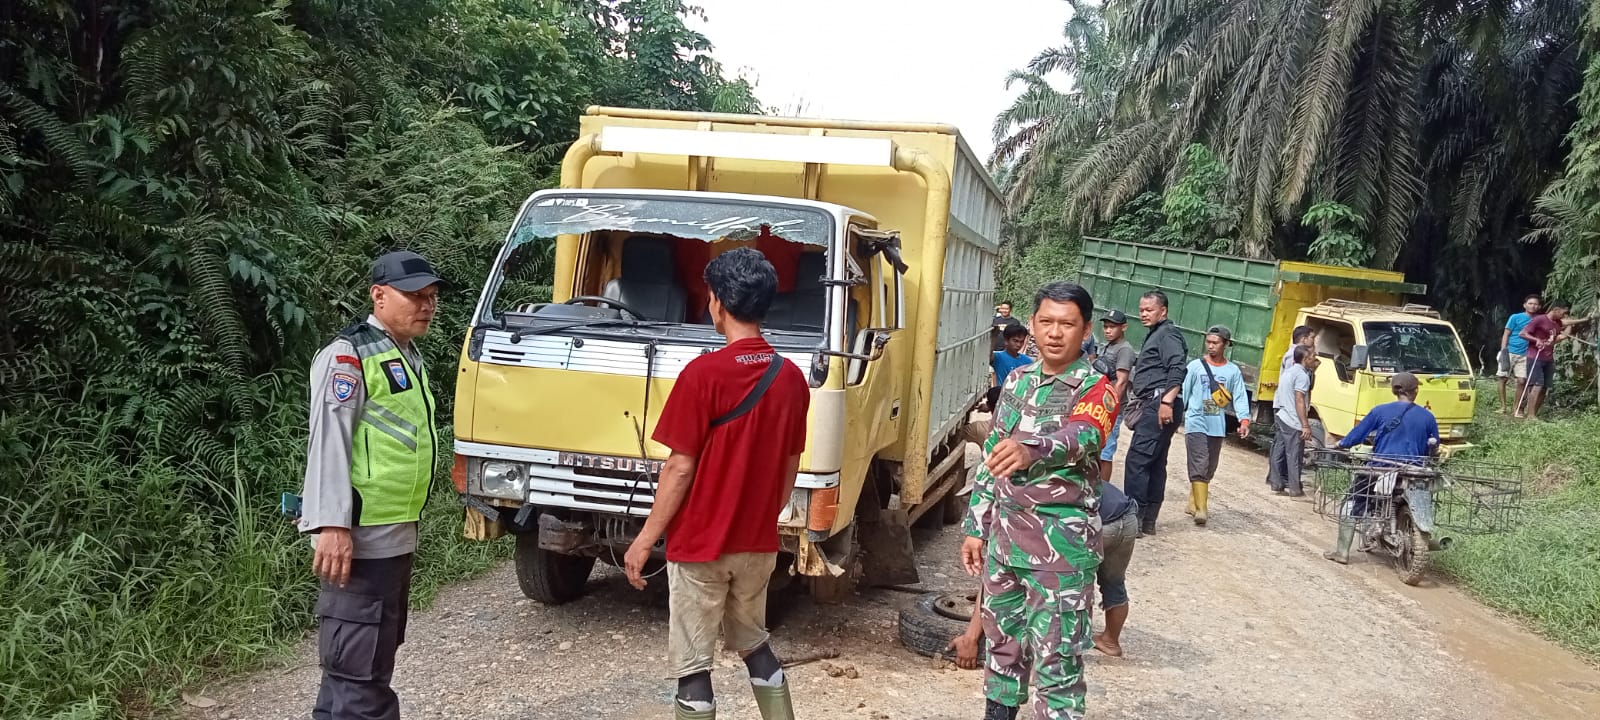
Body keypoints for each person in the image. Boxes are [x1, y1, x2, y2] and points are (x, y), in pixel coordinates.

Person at [623, 248, 811, 720]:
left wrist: (644, 541)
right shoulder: (790, 379)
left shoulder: (702, 375)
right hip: (757, 544)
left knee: (693, 666)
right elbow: (791, 465)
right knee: (754, 643)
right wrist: (763, 517)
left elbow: (679, 469)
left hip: (700, 545)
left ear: (719, 305)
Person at [298, 250, 446, 720]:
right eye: (414, 295)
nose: (426, 305)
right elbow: (329, 442)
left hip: (392, 537)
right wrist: (332, 525)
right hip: (358, 540)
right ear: (378, 295)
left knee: (369, 663)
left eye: (431, 296)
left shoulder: (405, 353)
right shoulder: (349, 354)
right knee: (357, 675)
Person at [961, 281, 1118, 720]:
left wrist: (1032, 448)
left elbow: (1081, 435)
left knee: (1058, 663)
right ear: (1032, 325)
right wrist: (977, 526)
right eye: (1046, 322)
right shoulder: (1018, 379)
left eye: (1066, 324)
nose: (1054, 332)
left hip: (1060, 552)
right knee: (1002, 650)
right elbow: (993, 451)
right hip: (1006, 546)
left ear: (1085, 330)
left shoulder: (1095, 388)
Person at [948, 482, 1139, 666]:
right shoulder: (1044, 475)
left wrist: (970, 637)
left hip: (1092, 524)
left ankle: (1047, 664)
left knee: (1060, 584)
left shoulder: (1017, 503)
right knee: (1113, 582)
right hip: (1126, 517)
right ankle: (1110, 641)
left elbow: (993, 579)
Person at [1324, 372, 1440, 564]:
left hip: (1381, 468)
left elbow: (1357, 436)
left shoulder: (1379, 411)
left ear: (1394, 390)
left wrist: (1340, 444)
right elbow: (1434, 446)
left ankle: (1342, 552)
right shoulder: (1427, 416)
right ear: (1416, 391)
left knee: (1352, 502)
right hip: (1414, 471)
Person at [1122, 290, 1188, 536]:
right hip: (1157, 402)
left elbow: (1178, 368)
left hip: (1159, 403)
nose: (1143, 314)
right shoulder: (1157, 334)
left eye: (1149, 310)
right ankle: (1147, 521)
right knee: (1155, 462)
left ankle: (1134, 520)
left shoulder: (1167, 334)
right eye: (1141, 310)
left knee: (1138, 461)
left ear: (1163, 311)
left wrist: (1166, 402)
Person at [1180, 326, 1252, 525]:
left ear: (1226, 344)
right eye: (1208, 342)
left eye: (1216, 343)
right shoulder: (1195, 366)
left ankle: (1193, 501)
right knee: (1200, 463)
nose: (1211, 346)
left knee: (1210, 467)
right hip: (1196, 422)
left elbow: (1239, 396)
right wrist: (1183, 413)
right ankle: (1202, 510)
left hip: (1216, 425)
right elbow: (1185, 392)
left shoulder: (1232, 371)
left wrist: (1244, 420)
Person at [1267, 346, 1318, 497]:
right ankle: (1295, 489)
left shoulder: (1288, 372)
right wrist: (1305, 424)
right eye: (1312, 356)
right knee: (1294, 455)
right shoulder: (1302, 376)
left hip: (1282, 415)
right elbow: (1299, 399)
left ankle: (1276, 483)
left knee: (1279, 451)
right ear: (1305, 358)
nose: (1314, 359)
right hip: (1293, 420)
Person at [1093, 310, 1135, 481]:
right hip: (1099, 404)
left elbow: (1122, 381)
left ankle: (1104, 491)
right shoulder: (1108, 346)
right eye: (1105, 327)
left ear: (1123, 327)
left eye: (1112, 327)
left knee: (1105, 453)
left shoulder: (1125, 349)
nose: (1107, 330)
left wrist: (1110, 409)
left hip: (1110, 408)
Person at [1517, 299, 1572, 420]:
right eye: (1564, 312)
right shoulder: (1540, 319)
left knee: (1544, 387)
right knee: (1537, 384)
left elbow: (1558, 338)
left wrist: (1570, 325)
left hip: (1548, 358)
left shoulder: (1556, 324)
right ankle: (1530, 415)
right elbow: (1522, 333)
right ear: (1556, 310)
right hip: (1535, 356)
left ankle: (1534, 414)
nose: (1564, 315)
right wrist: (1536, 340)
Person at [1498, 295, 1541, 415]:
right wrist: (1503, 351)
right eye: (1530, 303)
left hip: (1526, 354)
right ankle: (1503, 406)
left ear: (1539, 306)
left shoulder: (1539, 320)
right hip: (1510, 351)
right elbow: (1506, 333)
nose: (1533, 306)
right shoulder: (1515, 317)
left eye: (1536, 304)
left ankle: (1516, 409)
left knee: (1522, 381)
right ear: (1525, 305)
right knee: (1503, 378)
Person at [988, 323, 1032, 411]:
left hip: (1021, 403)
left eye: (1021, 341)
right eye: (1015, 341)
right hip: (1003, 401)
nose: (1019, 345)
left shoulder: (1028, 361)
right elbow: (988, 356)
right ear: (1006, 341)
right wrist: (993, 337)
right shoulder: (998, 357)